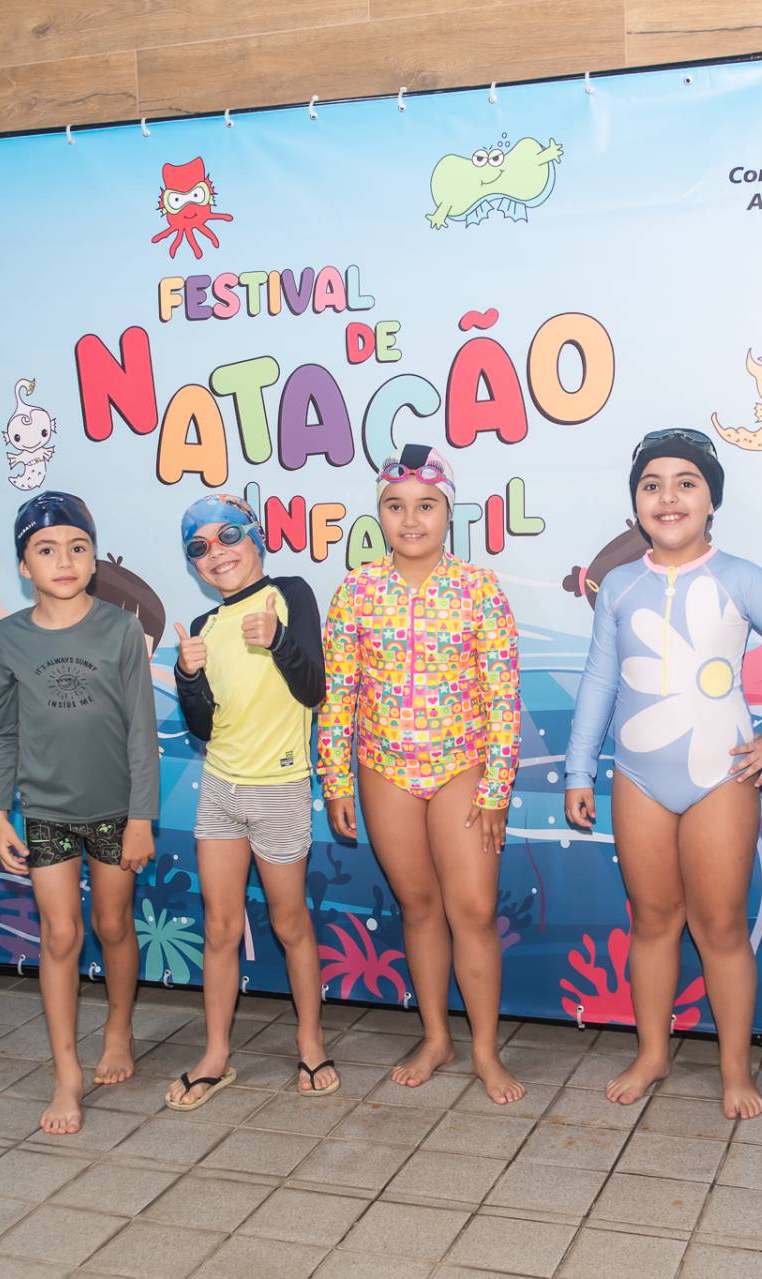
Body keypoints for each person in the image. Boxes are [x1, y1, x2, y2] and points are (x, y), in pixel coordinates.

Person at [563, 429, 762, 1119]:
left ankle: (734, 1069)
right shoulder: (618, 586)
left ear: (711, 500)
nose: (668, 497)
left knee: (720, 927)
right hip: (638, 778)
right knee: (653, 922)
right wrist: (578, 769)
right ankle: (653, 1052)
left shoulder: (740, 577)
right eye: (652, 485)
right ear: (636, 504)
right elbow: (599, 681)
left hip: (722, 779)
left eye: (686, 482)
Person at [317, 446, 527, 1104]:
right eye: (396, 506)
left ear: (448, 512)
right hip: (384, 768)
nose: (411, 520)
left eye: (426, 506)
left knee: (473, 909)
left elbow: (503, 696)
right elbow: (338, 694)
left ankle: (486, 1050)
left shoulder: (479, 589)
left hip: (462, 764)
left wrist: (496, 788)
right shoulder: (356, 590)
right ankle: (437, 1036)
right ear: (380, 513)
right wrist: (336, 778)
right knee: (419, 905)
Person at [0, 491, 159, 1136]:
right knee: (61, 935)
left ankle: (118, 1027)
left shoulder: (120, 630)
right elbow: (3, 731)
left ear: (93, 559)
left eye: (77, 548)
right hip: (45, 810)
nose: (64, 561)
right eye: (47, 550)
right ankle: (66, 1072)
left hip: (116, 811)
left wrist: (141, 817)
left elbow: (141, 730)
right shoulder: (9, 637)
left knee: (112, 924)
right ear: (24, 565)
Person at [166, 494, 339, 1109]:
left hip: (280, 788)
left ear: (256, 537)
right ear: (193, 564)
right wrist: (187, 677)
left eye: (229, 535)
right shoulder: (204, 627)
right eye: (199, 547)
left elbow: (314, 688)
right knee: (219, 927)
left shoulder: (289, 594)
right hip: (219, 789)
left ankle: (310, 1041)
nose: (216, 552)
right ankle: (216, 1053)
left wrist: (280, 640)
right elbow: (203, 727)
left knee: (291, 923)